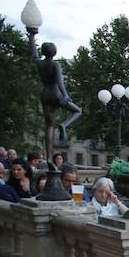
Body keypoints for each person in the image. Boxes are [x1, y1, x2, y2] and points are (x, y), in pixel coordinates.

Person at [27, 28, 82, 160]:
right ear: (54, 52)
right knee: (78, 111)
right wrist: (66, 95)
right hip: (56, 93)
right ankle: (64, 125)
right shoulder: (55, 64)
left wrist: (32, 38)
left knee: (49, 126)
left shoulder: (40, 63)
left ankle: (49, 158)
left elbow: (34, 55)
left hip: (45, 94)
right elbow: (59, 81)